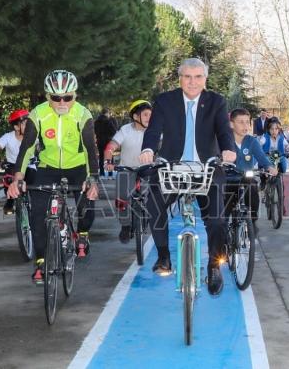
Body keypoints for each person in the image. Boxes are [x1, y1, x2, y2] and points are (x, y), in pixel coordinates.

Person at [139, 58, 237, 296]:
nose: (192, 82)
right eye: (187, 76)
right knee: (154, 202)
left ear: (205, 79)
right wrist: (148, 149)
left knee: (216, 219)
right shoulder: (165, 101)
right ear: (180, 78)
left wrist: (228, 149)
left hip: (207, 167)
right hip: (172, 166)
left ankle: (214, 266)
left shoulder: (216, 102)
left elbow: (224, 131)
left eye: (198, 77)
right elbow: (153, 131)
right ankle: (164, 257)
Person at [6, 70, 100, 284]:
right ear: (47, 96)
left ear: (74, 95)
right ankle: (40, 260)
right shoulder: (38, 114)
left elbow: (89, 149)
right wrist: (17, 178)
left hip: (77, 166)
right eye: (56, 98)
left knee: (87, 204)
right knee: (38, 214)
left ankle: (83, 233)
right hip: (48, 167)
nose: (61, 102)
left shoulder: (82, 114)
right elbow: (27, 148)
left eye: (67, 97)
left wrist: (92, 178)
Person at [103, 100, 153, 244]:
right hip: (126, 169)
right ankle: (125, 226)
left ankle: (149, 215)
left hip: (147, 169)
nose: (149, 117)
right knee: (121, 199)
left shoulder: (153, 130)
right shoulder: (125, 130)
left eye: (150, 114)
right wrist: (108, 161)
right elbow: (111, 146)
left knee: (154, 195)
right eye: (145, 114)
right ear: (136, 116)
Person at [225, 108, 277, 226]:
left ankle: (252, 223)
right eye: (241, 122)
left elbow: (261, 157)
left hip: (245, 177)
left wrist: (269, 167)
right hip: (228, 178)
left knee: (253, 190)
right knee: (223, 210)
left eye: (247, 122)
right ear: (232, 124)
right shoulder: (225, 140)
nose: (245, 126)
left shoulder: (251, 141)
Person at [0, 109, 29, 215]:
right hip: (13, 166)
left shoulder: (32, 136)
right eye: (24, 124)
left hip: (29, 165)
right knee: (8, 180)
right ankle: (10, 201)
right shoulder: (8, 137)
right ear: (16, 127)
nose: (29, 126)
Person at [94, 108, 118, 176]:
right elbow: (113, 131)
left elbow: (95, 131)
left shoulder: (96, 122)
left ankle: (102, 173)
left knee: (101, 157)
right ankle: (110, 173)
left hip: (100, 141)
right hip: (108, 141)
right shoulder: (109, 121)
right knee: (109, 157)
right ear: (107, 113)